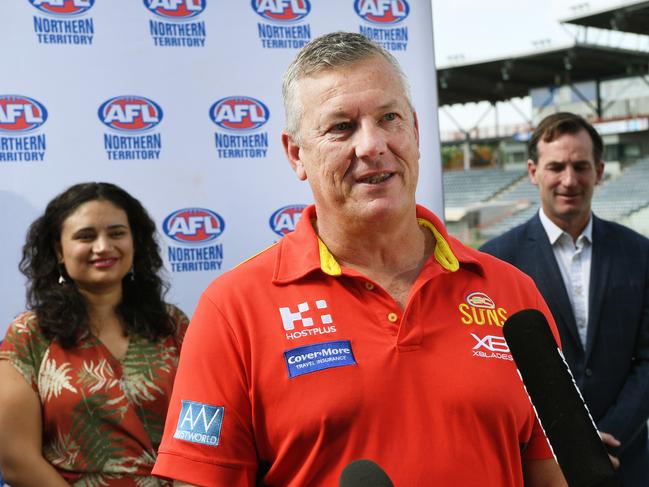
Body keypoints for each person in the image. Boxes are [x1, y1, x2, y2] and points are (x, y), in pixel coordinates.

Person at [152, 32, 567, 486]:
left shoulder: (513, 292)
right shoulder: (232, 310)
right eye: (341, 127)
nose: (372, 145)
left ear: (414, 130)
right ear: (296, 154)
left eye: (388, 118)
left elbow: (554, 471)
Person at [480, 112, 649, 486]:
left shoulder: (640, 253)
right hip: (542, 467)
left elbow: (647, 360)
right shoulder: (496, 262)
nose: (569, 180)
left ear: (600, 170)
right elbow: (495, 366)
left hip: (626, 461)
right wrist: (566, 447)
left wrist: (607, 441)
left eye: (581, 166)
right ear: (533, 171)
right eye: (556, 166)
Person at [0, 182, 189, 486]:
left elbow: (205, 434)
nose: (103, 247)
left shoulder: (172, 325)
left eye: (116, 233)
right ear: (58, 251)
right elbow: (17, 461)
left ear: (135, 242)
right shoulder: (29, 335)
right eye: (85, 236)